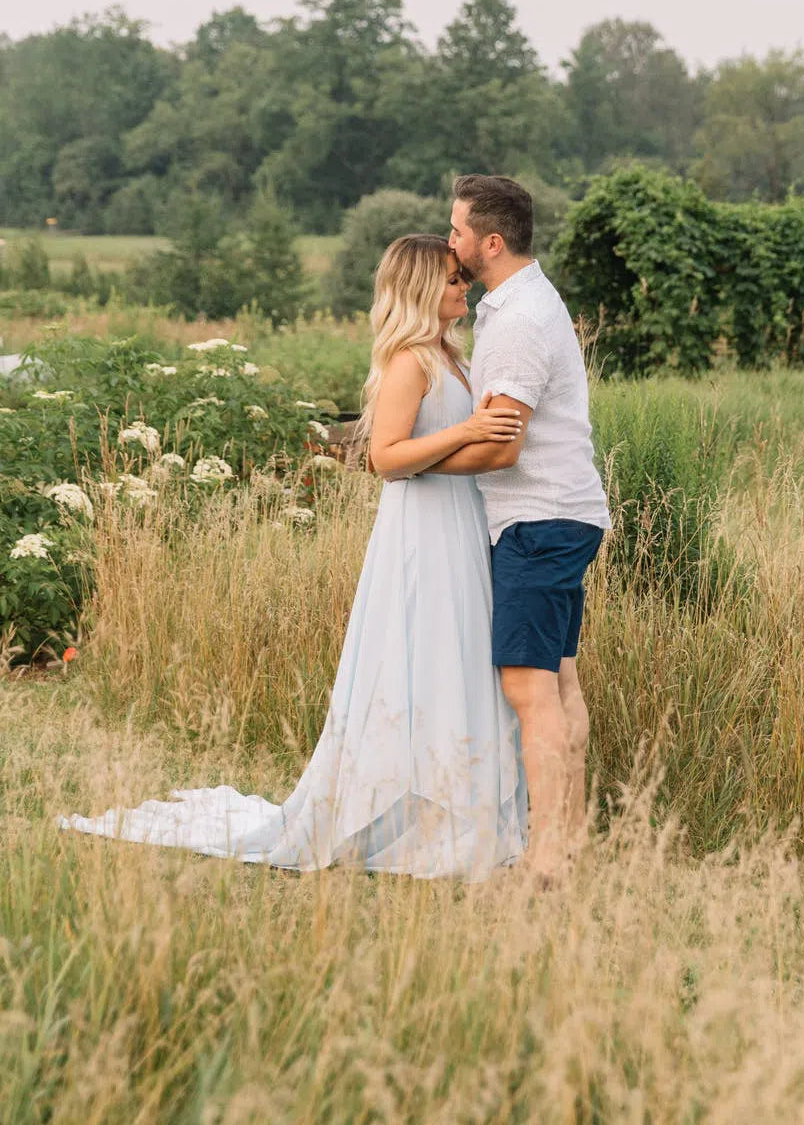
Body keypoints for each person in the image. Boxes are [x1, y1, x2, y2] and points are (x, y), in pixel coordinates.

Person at [59, 236, 529, 881]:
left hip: (460, 522)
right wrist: (468, 431)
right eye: (452, 279)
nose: (464, 287)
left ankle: (457, 809)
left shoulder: (452, 355)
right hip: (421, 530)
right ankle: (409, 816)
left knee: (461, 655)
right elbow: (383, 458)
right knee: (423, 652)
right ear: (420, 288)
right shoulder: (410, 362)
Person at [434, 175, 611, 879]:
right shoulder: (530, 301)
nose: (451, 243)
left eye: (456, 232)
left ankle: (546, 856)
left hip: (538, 519)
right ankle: (567, 840)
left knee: (528, 687)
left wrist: (412, 464)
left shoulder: (516, 321)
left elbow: (503, 445)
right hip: (565, 513)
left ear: (492, 242)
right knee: (560, 680)